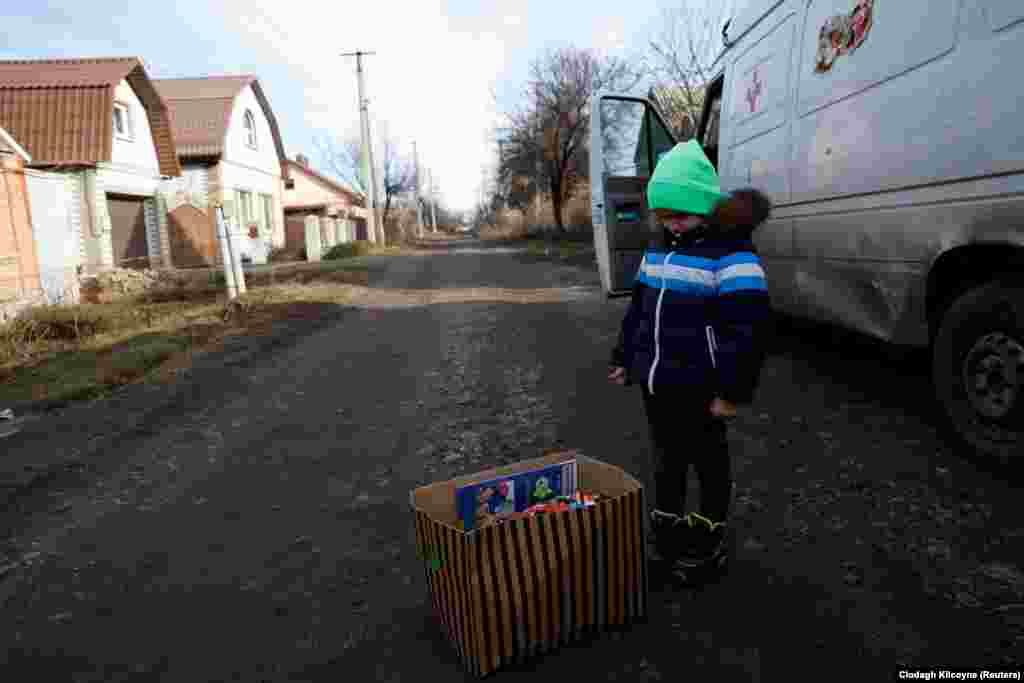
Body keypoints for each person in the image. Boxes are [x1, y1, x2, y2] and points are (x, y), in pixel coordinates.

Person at [607, 139, 772, 574]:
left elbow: (748, 331)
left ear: (705, 206)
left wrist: (733, 390)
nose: (673, 225)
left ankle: (708, 531)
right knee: (666, 457)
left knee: (709, 460)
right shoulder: (659, 250)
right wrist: (626, 356)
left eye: (680, 214)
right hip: (657, 384)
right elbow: (640, 311)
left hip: (702, 388)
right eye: (664, 216)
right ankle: (668, 524)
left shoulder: (733, 258)